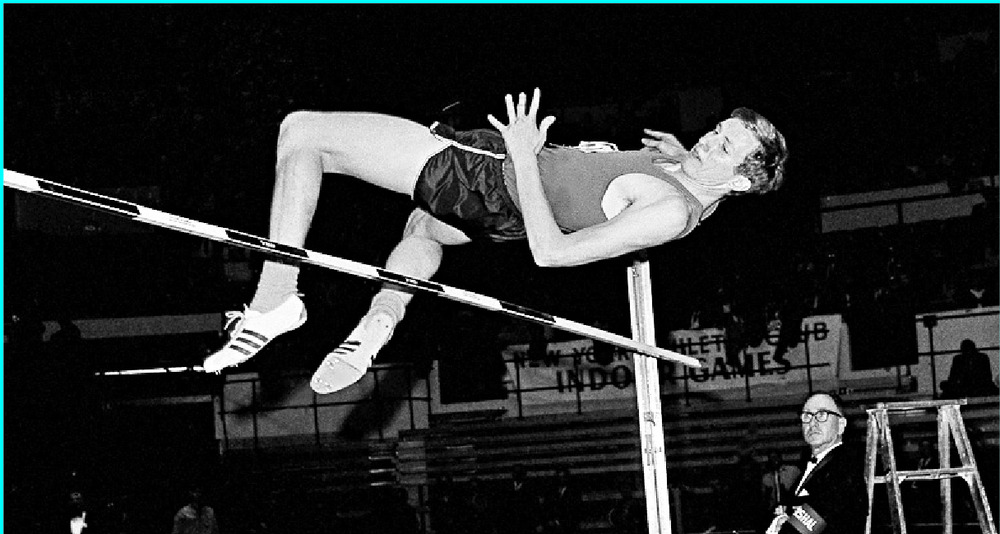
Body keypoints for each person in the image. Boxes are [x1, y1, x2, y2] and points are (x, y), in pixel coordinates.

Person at [203, 88, 788, 394]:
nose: (707, 140)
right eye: (716, 130)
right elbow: (704, 188)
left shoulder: (670, 210)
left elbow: (552, 253)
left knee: (303, 133)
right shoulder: (696, 184)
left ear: (740, 180)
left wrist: (526, 153)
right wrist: (687, 158)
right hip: (502, 207)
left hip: (492, 175)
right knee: (421, 229)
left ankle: (275, 297)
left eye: (723, 146)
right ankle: (378, 323)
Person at [764, 392, 868, 534]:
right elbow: (773, 516)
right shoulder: (806, 470)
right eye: (807, 416)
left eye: (822, 414)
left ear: (841, 425)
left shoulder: (843, 469)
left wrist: (781, 529)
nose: (813, 422)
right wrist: (779, 524)